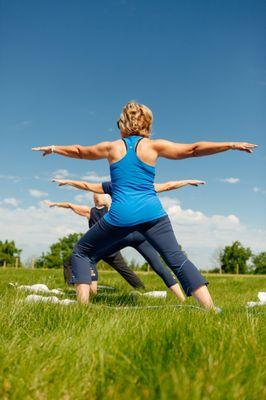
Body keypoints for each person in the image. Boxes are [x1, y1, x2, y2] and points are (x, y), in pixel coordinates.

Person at [32, 101, 257, 308]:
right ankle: (211, 309)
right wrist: (230, 144)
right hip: (153, 214)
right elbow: (193, 149)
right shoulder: (154, 146)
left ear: (122, 125)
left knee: (82, 251)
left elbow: (80, 151)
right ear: (147, 125)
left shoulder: (112, 147)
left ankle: (82, 307)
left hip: (121, 216)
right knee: (177, 259)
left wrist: (53, 148)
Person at [49, 178, 206, 301]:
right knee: (90, 257)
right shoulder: (123, 188)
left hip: (131, 235)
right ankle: (91, 295)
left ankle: (181, 299)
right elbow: (167, 186)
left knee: (158, 266)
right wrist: (186, 182)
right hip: (129, 235)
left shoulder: (122, 189)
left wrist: (186, 182)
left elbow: (167, 186)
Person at [45, 193, 146, 293]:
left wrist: (55, 204)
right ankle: (141, 288)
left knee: (70, 262)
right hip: (111, 249)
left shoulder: (90, 211)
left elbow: (69, 205)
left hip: (96, 249)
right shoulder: (112, 211)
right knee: (125, 270)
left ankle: (72, 287)